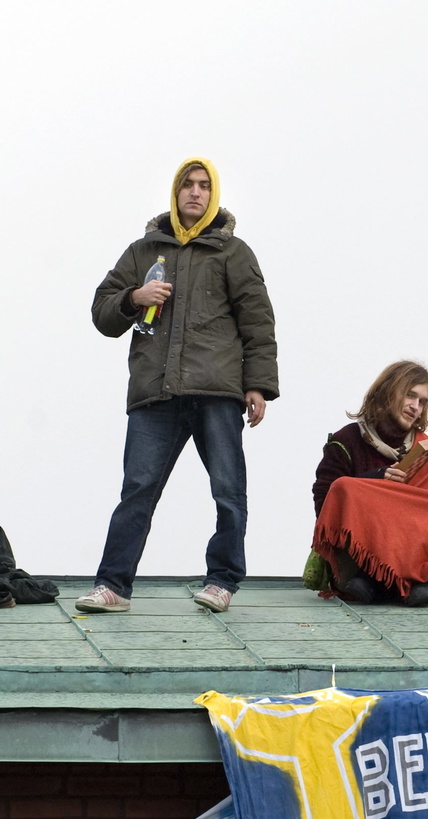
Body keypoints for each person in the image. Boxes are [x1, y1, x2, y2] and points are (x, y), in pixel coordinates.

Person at [76, 157, 280, 616]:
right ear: (175, 191)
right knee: (138, 489)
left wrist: (259, 385)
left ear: (214, 194)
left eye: (204, 186)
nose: (195, 192)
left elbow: (258, 321)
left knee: (229, 490)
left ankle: (222, 581)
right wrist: (135, 297)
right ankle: (112, 587)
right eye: (187, 184)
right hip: (156, 393)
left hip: (217, 391)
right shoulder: (143, 251)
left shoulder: (234, 252)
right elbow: (101, 312)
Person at [310, 361, 428, 606]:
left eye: (422, 401)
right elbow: (325, 505)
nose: (415, 407)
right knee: (345, 487)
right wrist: (376, 481)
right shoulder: (345, 440)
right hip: (359, 564)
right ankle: (387, 581)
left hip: (417, 554)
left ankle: (406, 578)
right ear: (389, 391)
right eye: (410, 395)